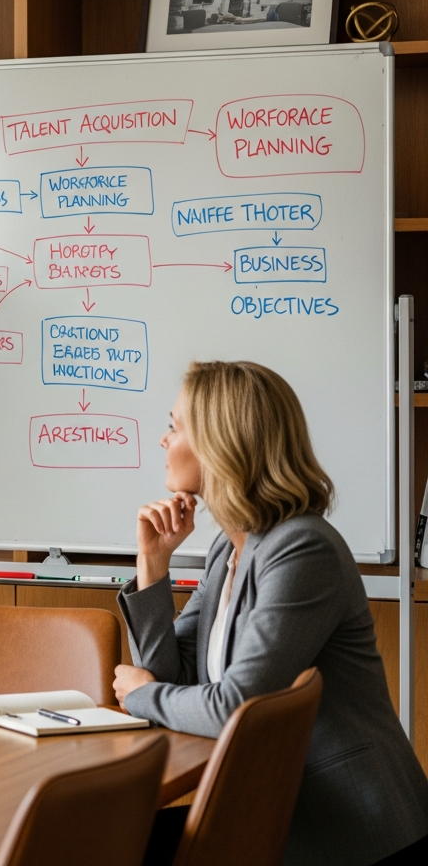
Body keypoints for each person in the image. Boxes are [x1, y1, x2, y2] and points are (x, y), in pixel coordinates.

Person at [113, 361, 428, 866]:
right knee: (114, 840)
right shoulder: (230, 548)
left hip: (350, 828)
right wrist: (153, 566)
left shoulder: (302, 549)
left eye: (175, 427)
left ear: (219, 444)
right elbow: (174, 673)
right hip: (274, 809)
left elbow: (235, 706)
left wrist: (141, 696)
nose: (163, 439)